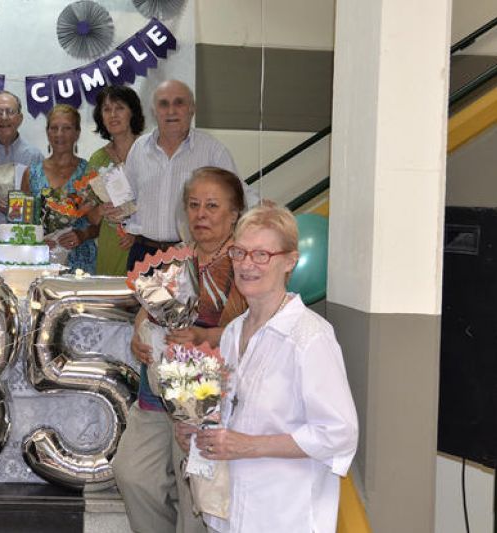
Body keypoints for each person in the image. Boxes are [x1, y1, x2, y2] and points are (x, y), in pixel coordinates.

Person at [177, 203, 358, 533]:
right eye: (240, 252)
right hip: (229, 514)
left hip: (284, 516)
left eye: (262, 255)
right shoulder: (233, 332)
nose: (247, 264)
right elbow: (230, 414)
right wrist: (196, 432)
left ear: (290, 261)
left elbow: (339, 434)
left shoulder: (310, 337)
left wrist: (249, 445)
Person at [114, 167, 248, 533]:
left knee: (195, 493)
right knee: (132, 473)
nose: (200, 214)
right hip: (156, 394)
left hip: (207, 397)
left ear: (234, 213)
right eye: (193, 205)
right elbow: (149, 306)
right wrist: (138, 335)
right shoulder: (178, 257)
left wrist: (208, 337)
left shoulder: (246, 261)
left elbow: (256, 330)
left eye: (211, 206)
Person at [120, 80, 258, 272]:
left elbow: (240, 197)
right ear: (154, 111)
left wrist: (264, 216)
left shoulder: (212, 151)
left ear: (192, 109)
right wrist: (115, 211)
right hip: (143, 255)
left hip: (191, 256)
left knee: (192, 304)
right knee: (139, 303)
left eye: (179, 103)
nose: (171, 111)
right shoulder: (138, 149)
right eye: (163, 104)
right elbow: (127, 200)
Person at [21, 104, 99, 273]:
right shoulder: (31, 173)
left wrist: (82, 235)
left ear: (77, 133)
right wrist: (36, 239)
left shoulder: (89, 173)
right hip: (40, 258)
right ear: (47, 132)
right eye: (54, 128)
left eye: (67, 128)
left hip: (80, 260)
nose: (59, 134)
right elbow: (23, 224)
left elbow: (99, 223)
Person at [86, 85, 145, 276]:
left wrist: (137, 233)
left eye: (119, 108)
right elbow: (90, 216)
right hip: (113, 242)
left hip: (147, 243)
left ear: (132, 112)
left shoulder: (151, 151)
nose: (113, 115)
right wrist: (100, 210)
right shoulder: (97, 159)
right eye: (107, 109)